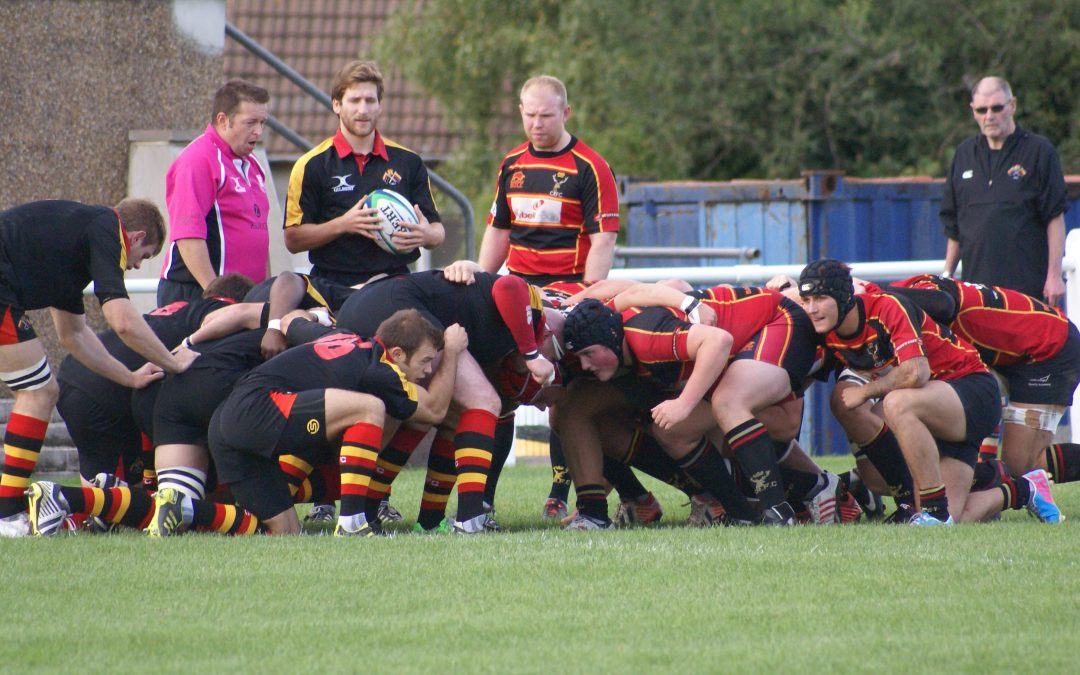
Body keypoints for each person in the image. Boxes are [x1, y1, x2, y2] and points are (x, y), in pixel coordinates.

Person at [0, 198, 197, 536]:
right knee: (39, 391)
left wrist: (131, 377)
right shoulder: (107, 227)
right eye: (144, 256)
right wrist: (174, 363)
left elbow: (73, 335)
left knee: (38, 389)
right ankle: (7, 513)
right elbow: (121, 320)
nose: (136, 267)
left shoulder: (72, 251)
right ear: (133, 238)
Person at [477, 75, 620, 517]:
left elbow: (603, 239)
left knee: (565, 395)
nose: (537, 124)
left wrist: (586, 295)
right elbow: (499, 230)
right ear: (520, 112)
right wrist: (483, 282)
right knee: (498, 394)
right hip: (516, 292)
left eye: (546, 115)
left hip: (567, 292)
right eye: (529, 115)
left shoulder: (589, 166)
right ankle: (481, 500)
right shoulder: (511, 164)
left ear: (566, 113)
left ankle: (566, 493)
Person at [798, 259, 1008, 525]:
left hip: (972, 390)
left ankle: (933, 511)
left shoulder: (886, 306)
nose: (812, 309)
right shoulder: (825, 330)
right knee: (953, 516)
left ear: (842, 296)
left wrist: (866, 392)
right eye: (806, 300)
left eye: (820, 298)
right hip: (934, 410)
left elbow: (916, 372)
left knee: (895, 405)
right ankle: (1020, 490)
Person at [283, 60, 443, 290]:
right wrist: (343, 224)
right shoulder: (311, 165)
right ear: (336, 105)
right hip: (333, 284)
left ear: (380, 106)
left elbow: (438, 232)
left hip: (395, 282)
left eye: (370, 100)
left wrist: (426, 235)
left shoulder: (408, 161)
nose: (363, 109)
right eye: (354, 100)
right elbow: (293, 239)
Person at [941, 76, 1069, 305]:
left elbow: (1054, 216)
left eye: (996, 108)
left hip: (1027, 289)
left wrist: (1054, 276)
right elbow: (955, 227)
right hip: (976, 293)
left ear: (1012, 106)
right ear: (973, 111)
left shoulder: (1038, 151)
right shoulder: (964, 154)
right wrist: (947, 276)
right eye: (981, 110)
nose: (989, 116)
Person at [158, 80, 271, 305]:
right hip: (197, 295)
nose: (258, 131)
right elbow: (188, 235)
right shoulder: (199, 160)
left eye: (262, 123)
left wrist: (265, 293)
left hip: (243, 299)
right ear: (223, 120)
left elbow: (259, 232)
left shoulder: (253, 164)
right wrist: (216, 296)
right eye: (250, 123)